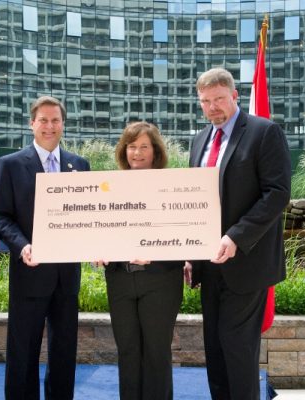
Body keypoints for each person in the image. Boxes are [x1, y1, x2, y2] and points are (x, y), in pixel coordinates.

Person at [184, 68, 291, 400]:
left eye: (218, 99)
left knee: (237, 347)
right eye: (205, 101)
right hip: (208, 263)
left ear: (234, 96)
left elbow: (277, 193)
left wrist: (235, 237)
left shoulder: (264, 132)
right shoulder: (199, 141)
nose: (213, 107)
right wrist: (190, 252)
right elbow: (194, 200)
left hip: (246, 261)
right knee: (214, 349)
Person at [0, 96, 90, 400]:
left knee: (63, 353)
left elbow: (89, 216)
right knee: (23, 353)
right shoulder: (10, 165)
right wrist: (22, 246)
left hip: (66, 276)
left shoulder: (80, 165)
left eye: (55, 120)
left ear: (63, 124)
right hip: (29, 272)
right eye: (43, 120)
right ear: (32, 123)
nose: (49, 126)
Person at [95, 121, 184, 400]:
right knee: (128, 351)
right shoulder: (109, 187)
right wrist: (94, 247)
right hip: (120, 279)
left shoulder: (174, 187)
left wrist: (158, 251)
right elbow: (98, 227)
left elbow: (185, 234)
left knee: (157, 351)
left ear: (155, 151)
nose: (137, 153)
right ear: (124, 151)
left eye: (144, 146)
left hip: (160, 280)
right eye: (132, 147)